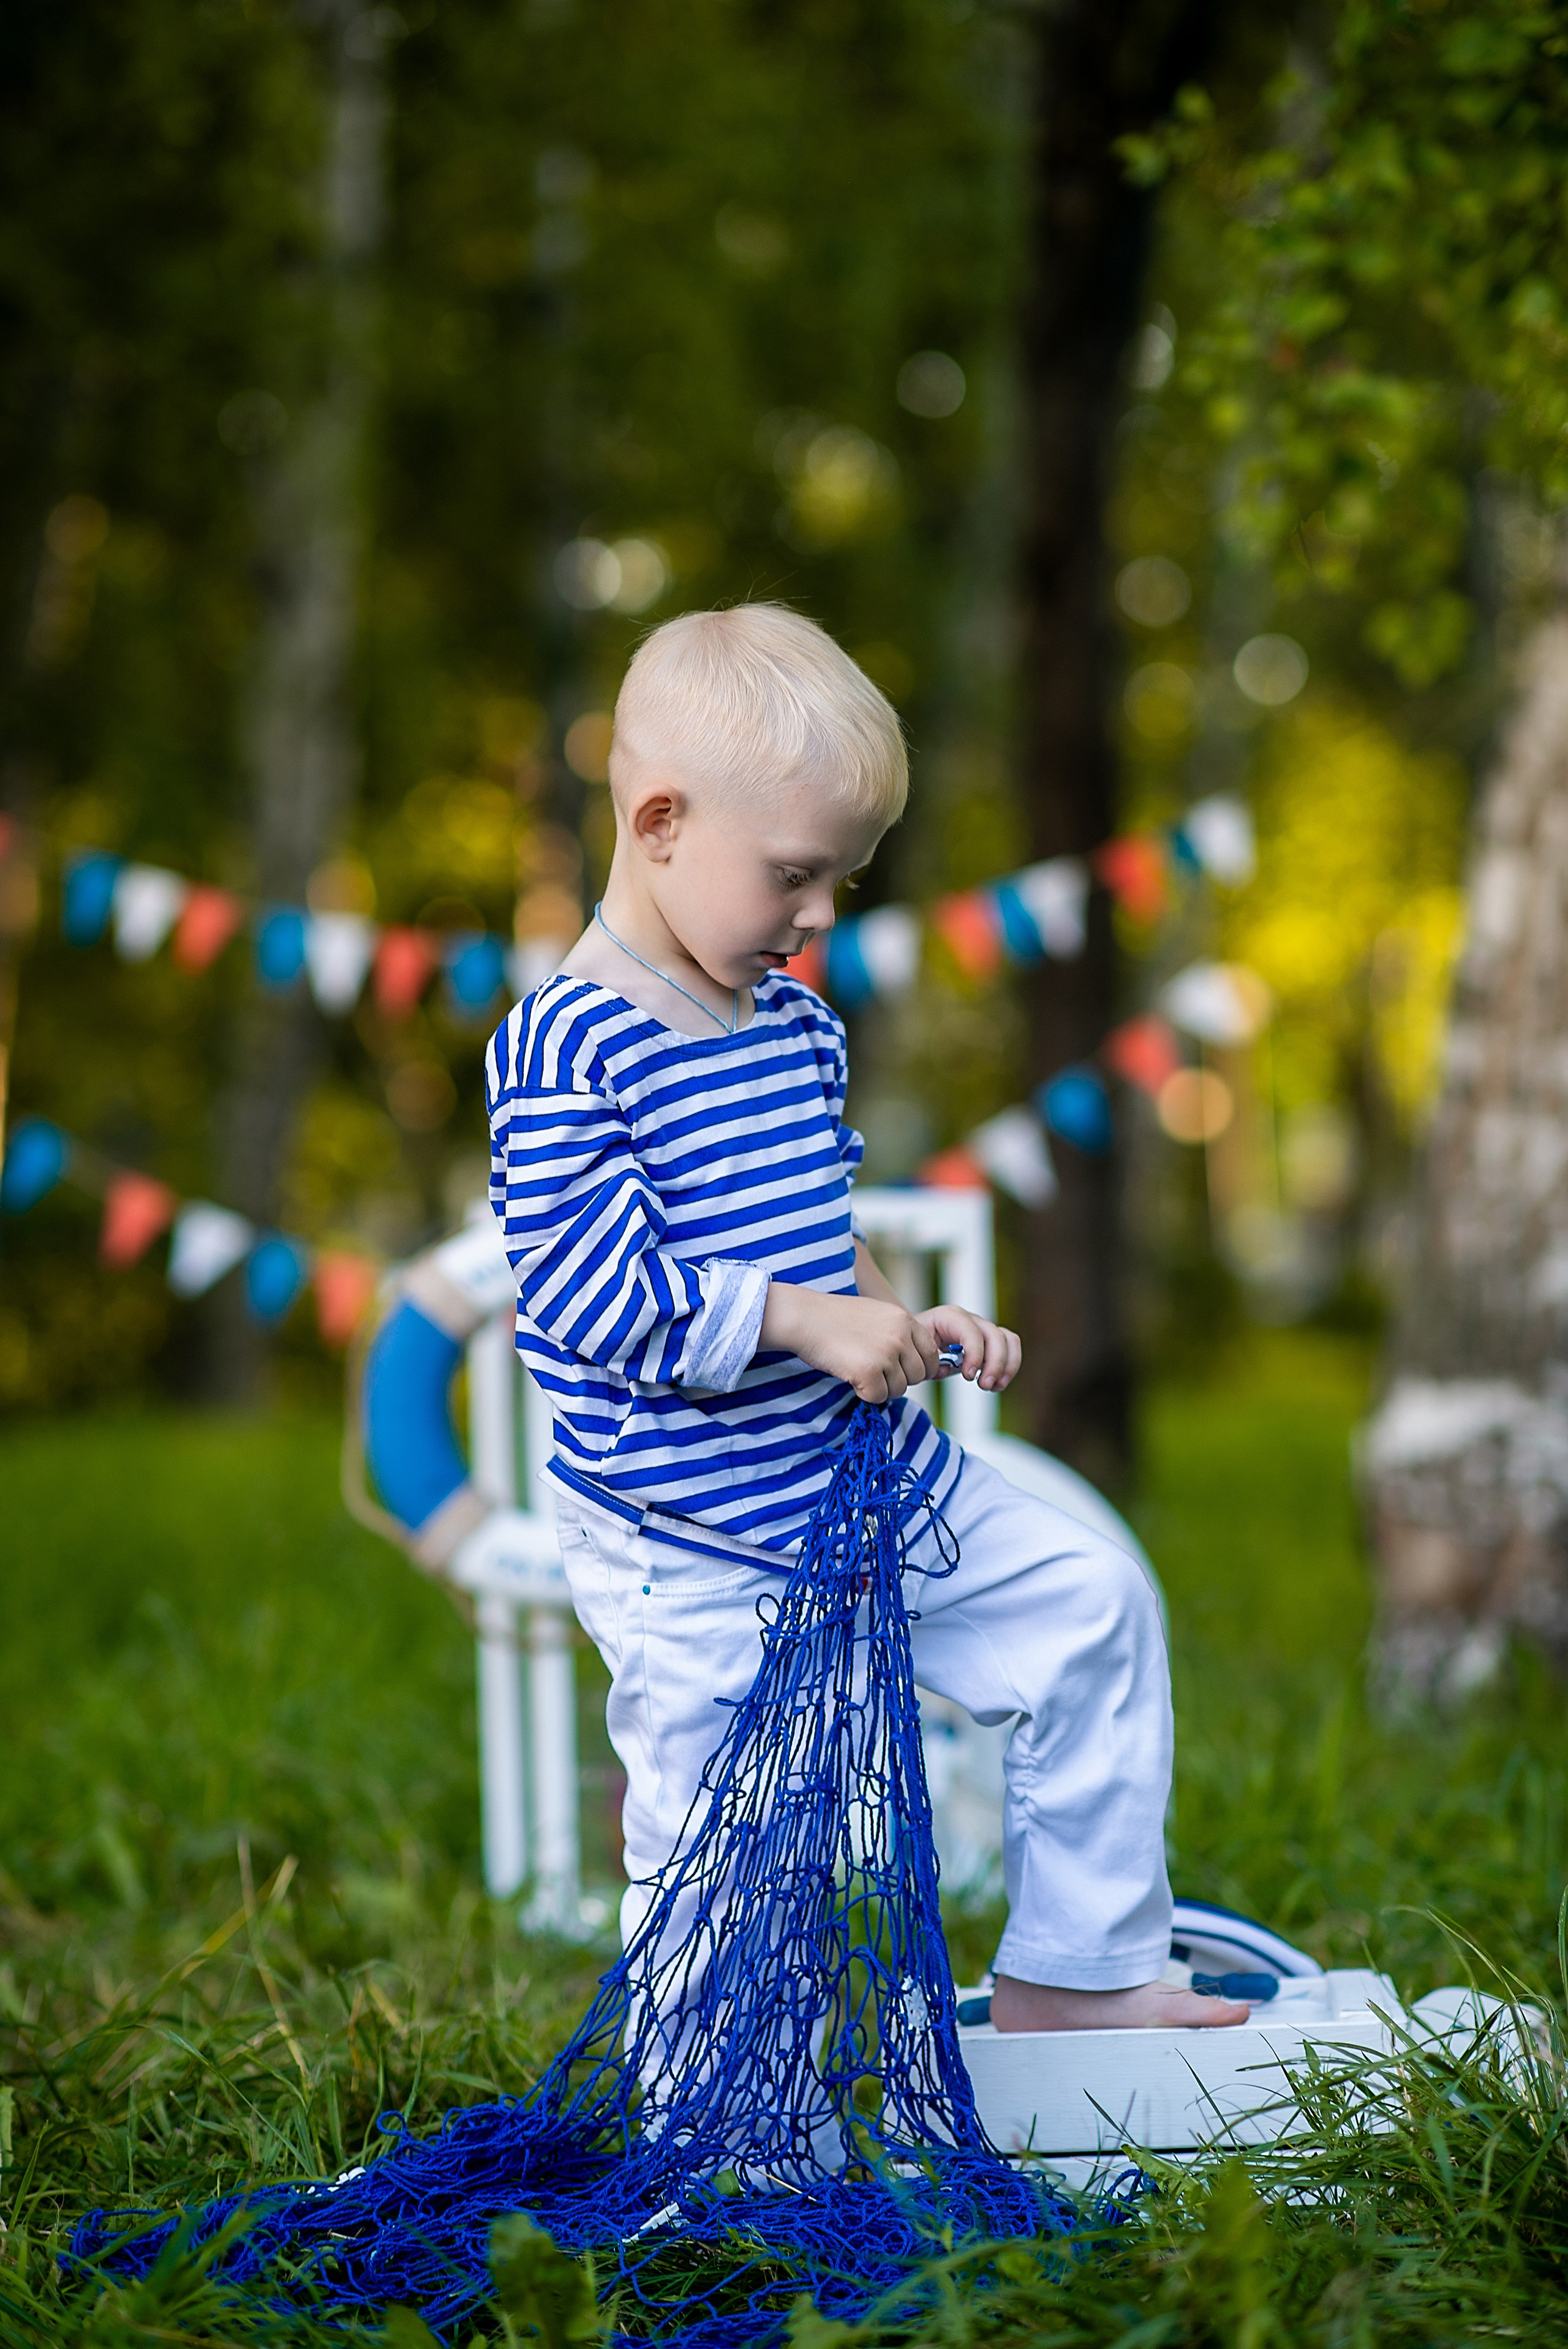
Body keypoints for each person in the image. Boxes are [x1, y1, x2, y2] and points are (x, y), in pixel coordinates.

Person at [485, 603, 1246, 2032]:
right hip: (688, 1536)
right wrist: (799, 1323)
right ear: (657, 821)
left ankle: (1072, 1977)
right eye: (794, 874)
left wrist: (903, 1316)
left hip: (853, 1478)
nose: (821, 914)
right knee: (732, 1824)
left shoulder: (792, 1027)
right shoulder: (567, 1043)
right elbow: (585, 1297)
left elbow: (820, 1236)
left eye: (837, 878)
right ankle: (728, 2120)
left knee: (1087, 1603)